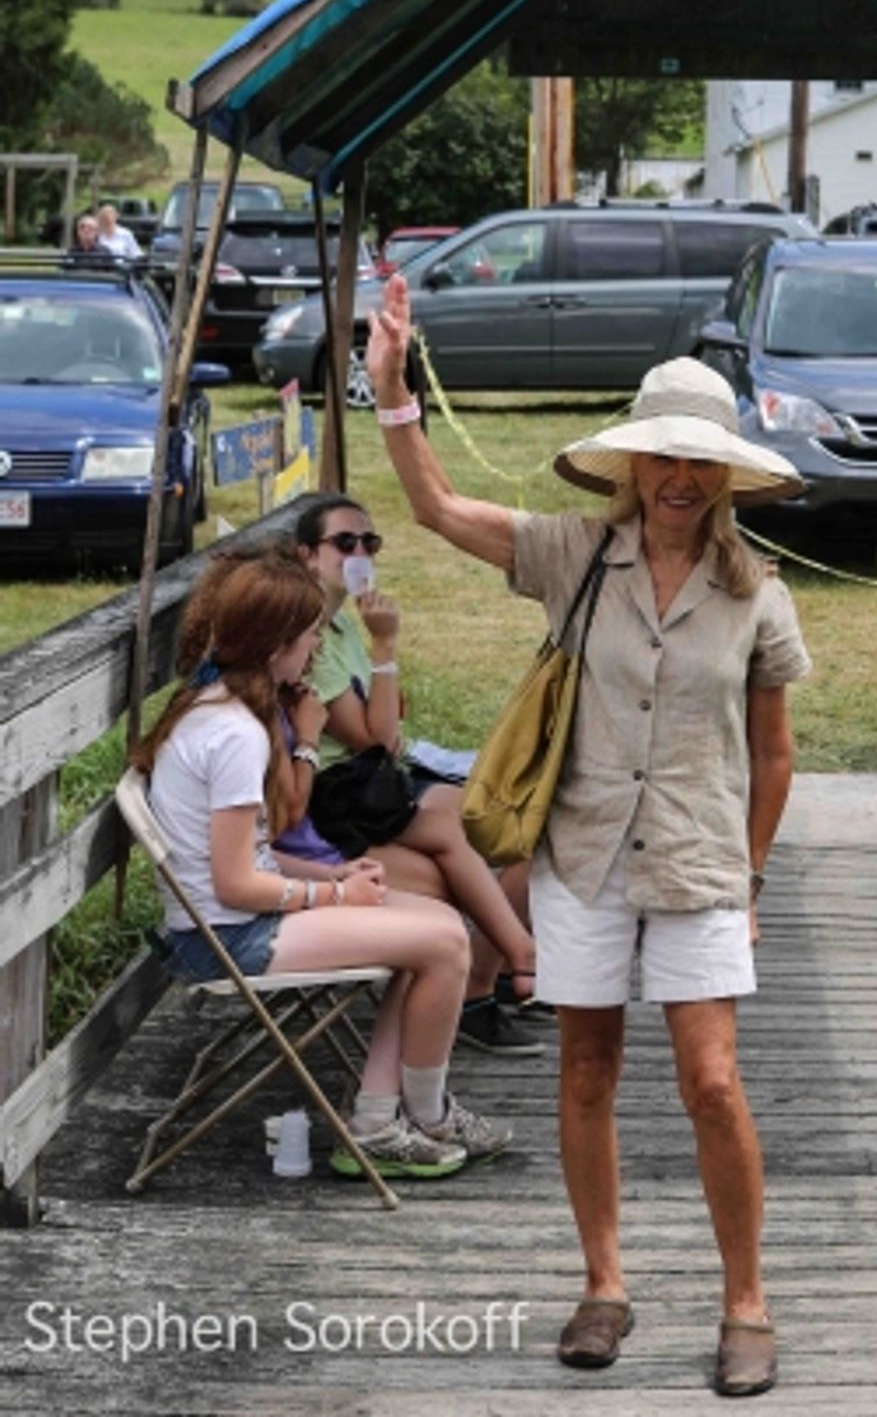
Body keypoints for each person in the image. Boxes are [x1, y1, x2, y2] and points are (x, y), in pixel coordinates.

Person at [368, 270, 810, 1399]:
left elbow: (773, 755)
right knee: (584, 1071)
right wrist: (393, 396)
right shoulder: (574, 554)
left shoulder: (756, 593)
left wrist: (752, 875)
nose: (675, 478)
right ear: (632, 463)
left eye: (696, 460)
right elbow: (436, 510)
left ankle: (744, 1302)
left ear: (723, 476)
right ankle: (603, 1286)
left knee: (711, 1080)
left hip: (703, 863)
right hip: (582, 856)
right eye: (660, 456)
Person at [130, 551, 511, 1181]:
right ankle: (415, 1118)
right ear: (277, 643)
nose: (315, 647)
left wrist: (331, 877)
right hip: (227, 936)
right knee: (444, 942)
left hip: (219, 924)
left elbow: (246, 853)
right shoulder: (235, 735)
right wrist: (334, 901)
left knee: (436, 925)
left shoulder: (215, 707)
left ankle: (385, 1115)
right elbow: (234, 883)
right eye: (310, 635)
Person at [286, 494, 543, 1058]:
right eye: (344, 543)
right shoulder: (311, 636)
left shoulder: (341, 625)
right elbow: (375, 736)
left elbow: (389, 725)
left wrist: (378, 656)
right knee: (459, 832)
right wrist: (386, 644)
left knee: (509, 820)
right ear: (307, 554)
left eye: (369, 542)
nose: (360, 554)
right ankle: (509, 965)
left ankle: (496, 973)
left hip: (370, 783)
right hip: (340, 796)